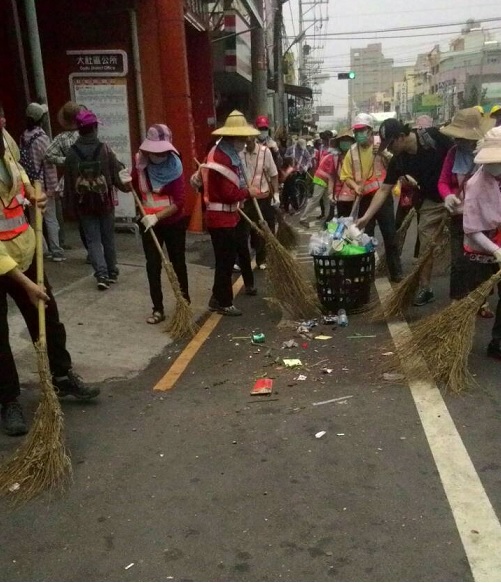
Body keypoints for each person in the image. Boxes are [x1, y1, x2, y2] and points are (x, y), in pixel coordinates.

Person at [0, 121, 100, 436]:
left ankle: (61, 375)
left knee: (47, 314)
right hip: (2, 261)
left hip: (25, 249)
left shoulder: (6, 144)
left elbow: (20, 177)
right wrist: (26, 285)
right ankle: (8, 400)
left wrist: (32, 195)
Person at [357, 118, 453, 303]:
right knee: (426, 247)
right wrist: (366, 216)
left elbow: (458, 156)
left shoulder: (435, 137)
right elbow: (384, 189)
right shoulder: (398, 161)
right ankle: (425, 288)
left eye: (390, 144)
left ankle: (467, 292)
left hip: (456, 197)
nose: (387, 149)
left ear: (401, 136)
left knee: (465, 247)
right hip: (431, 202)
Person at [125, 124, 190, 324]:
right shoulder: (140, 164)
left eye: (161, 150)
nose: (157, 155)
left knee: (177, 262)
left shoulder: (175, 166)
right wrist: (124, 181)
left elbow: (179, 202)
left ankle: (184, 301)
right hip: (149, 225)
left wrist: (157, 216)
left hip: (173, 223)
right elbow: (133, 188)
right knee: (153, 265)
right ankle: (158, 309)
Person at [200, 110, 260, 316]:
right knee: (225, 261)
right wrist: (247, 192)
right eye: (242, 139)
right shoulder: (222, 157)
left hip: (225, 216)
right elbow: (228, 193)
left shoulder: (222, 153)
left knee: (224, 259)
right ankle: (224, 302)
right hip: (221, 217)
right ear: (233, 137)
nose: (244, 143)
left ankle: (217, 298)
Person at [64, 109, 129, 290]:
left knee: (92, 240)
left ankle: (101, 274)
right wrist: (126, 187)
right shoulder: (105, 150)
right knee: (108, 237)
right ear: (94, 128)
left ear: (79, 130)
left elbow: (69, 184)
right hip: (104, 201)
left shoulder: (71, 153)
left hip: (83, 202)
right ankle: (112, 271)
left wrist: (69, 209)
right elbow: (117, 176)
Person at [438, 108, 493, 307]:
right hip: (459, 215)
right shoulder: (453, 154)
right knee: (459, 261)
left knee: (481, 261)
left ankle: (480, 301)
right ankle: (457, 300)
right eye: (457, 138)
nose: (459, 142)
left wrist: (483, 159)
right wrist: (448, 195)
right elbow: (443, 181)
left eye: (464, 138)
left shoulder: (489, 154)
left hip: (483, 217)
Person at [341, 113, 403, 282]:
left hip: (383, 199)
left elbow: (398, 165)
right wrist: (355, 187)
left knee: (390, 236)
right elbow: (345, 175)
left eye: (362, 130)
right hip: (364, 199)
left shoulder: (382, 144)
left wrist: (384, 154)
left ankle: (396, 272)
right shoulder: (352, 152)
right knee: (364, 239)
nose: (358, 134)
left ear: (370, 131)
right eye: (356, 131)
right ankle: (366, 273)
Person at [462, 126, 501, 359]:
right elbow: (472, 229)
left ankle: (498, 342)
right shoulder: (475, 185)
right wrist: (496, 250)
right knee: (474, 298)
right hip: (481, 247)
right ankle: (459, 341)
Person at [20, 103, 65, 262]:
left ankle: (43, 249)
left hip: (30, 184)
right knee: (50, 218)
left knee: (34, 219)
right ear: (41, 119)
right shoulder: (42, 138)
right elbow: (49, 163)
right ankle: (56, 250)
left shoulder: (24, 136)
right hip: (44, 184)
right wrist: (54, 188)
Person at [45, 101, 86, 255]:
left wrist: (66, 161)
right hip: (91, 177)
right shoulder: (87, 133)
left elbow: (48, 154)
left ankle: (91, 250)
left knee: (82, 218)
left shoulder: (61, 138)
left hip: (71, 181)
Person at [240, 134, 279, 270]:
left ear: (254, 139)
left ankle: (263, 258)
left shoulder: (265, 152)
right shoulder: (239, 153)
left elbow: (273, 174)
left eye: (250, 140)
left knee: (265, 229)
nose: (247, 144)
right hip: (246, 198)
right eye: (245, 141)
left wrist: (276, 194)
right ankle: (244, 260)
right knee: (247, 230)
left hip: (263, 197)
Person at [300, 137, 340, 227]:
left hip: (322, 178)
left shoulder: (328, 154)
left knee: (327, 200)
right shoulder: (333, 157)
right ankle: (303, 218)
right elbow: (333, 174)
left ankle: (328, 218)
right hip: (322, 179)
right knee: (315, 199)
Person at [323, 129, 356, 222]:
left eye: (347, 140)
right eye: (343, 140)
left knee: (354, 225)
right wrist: (330, 194)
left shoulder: (357, 157)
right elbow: (331, 177)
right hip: (340, 196)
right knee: (342, 223)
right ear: (339, 143)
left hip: (356, 195)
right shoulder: (335, 158)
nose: (345, 142)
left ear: (352, 142)